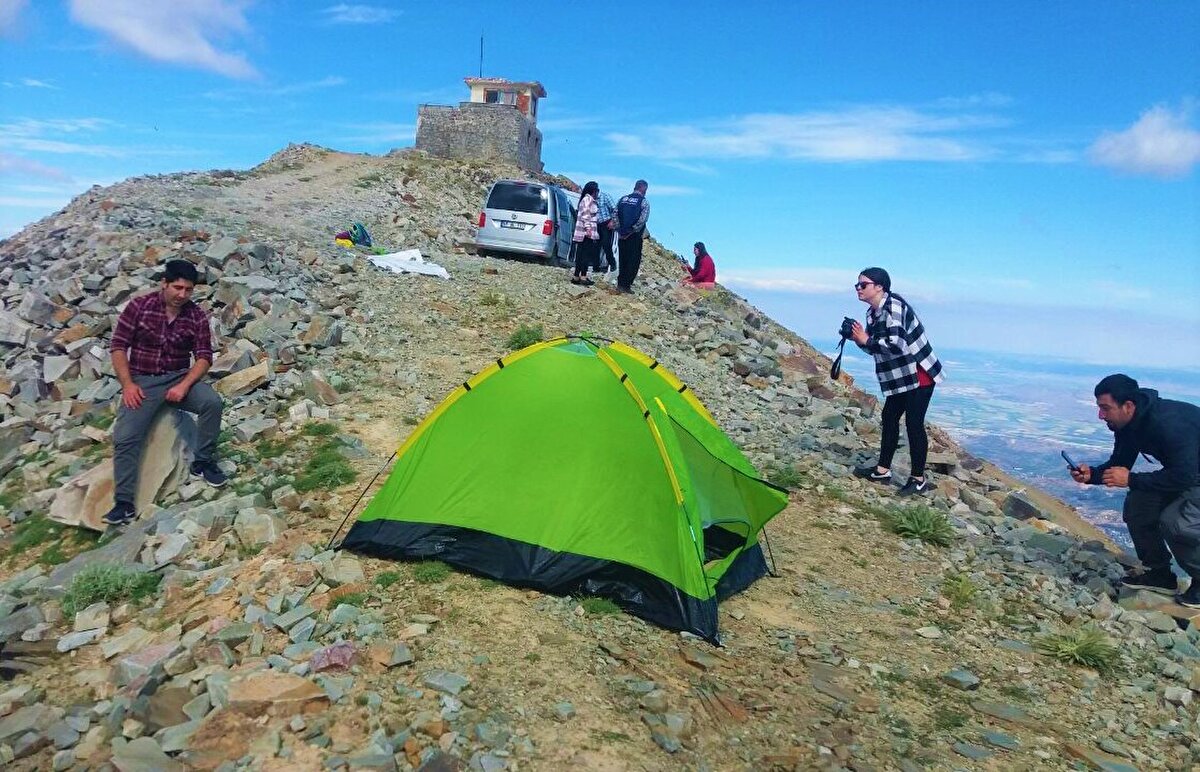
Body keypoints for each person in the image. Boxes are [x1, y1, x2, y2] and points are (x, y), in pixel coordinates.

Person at [104, 259, 228, 525]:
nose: (182, 295)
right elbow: (118, 346)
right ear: (164, 283)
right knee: (126, 437)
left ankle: (203, 462)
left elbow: (204, 356)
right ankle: (124, 503)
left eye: (188, 290)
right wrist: (128, 385)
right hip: (143, 381)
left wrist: (184, 386)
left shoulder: (195, 315)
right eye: (177, 287)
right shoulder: (139, 307)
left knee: (212, 403)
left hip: (179, 377)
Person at [1071, 374, 1200, 607]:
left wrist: (1132, 478)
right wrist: (1093, 475)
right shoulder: (1128, 424)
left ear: (1128, 406)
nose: (1101, 415)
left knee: (1178, 522)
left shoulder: (1169, 423)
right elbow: (1120, 464)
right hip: (1188, 473)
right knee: (1139, 504)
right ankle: (1160, 575)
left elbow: (1185, 476)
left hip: (1191, 474)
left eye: (1105, 408)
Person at [848, 267, 944, 496]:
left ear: (879, 287)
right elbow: (878, 349)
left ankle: (918, 479)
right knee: (889, 416)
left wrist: (866, 339)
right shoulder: (873, 313)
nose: (858, 289)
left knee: (914, 424)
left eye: (863, 285)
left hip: (919, 373)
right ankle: (882, 470)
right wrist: (859, 340)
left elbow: (895, 346)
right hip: (901, 376)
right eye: (857, 285)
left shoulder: (893, 308)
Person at [615, 180, 650, 294]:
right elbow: (643, 219)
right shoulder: (643, 202)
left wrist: (620, 230)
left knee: (622, 259)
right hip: (634, 236)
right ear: (643, 189)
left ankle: (620, 284)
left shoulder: (622, 199)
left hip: (621, 235)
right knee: (633, 261)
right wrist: (632, 230)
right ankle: (626, 285)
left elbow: (615, 214)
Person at [571, 181, 601, 286]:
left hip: (583, 231)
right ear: (594, 191)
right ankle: (582, 276)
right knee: (585, 255)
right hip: (586, 232)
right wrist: (588, 229)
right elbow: (586, 215)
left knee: (581, 254)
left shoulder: (585, 199)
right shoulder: (588, 200)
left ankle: (577, 275)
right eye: (597, 190)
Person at [596, 186, 618, 273]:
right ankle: (596, 266)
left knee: (606, 244)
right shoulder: (591, 199)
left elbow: (615, 210)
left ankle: (612, 264)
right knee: (595, 245)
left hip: (606, 223)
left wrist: (613, 221)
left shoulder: (605, 197)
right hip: (596, 224)